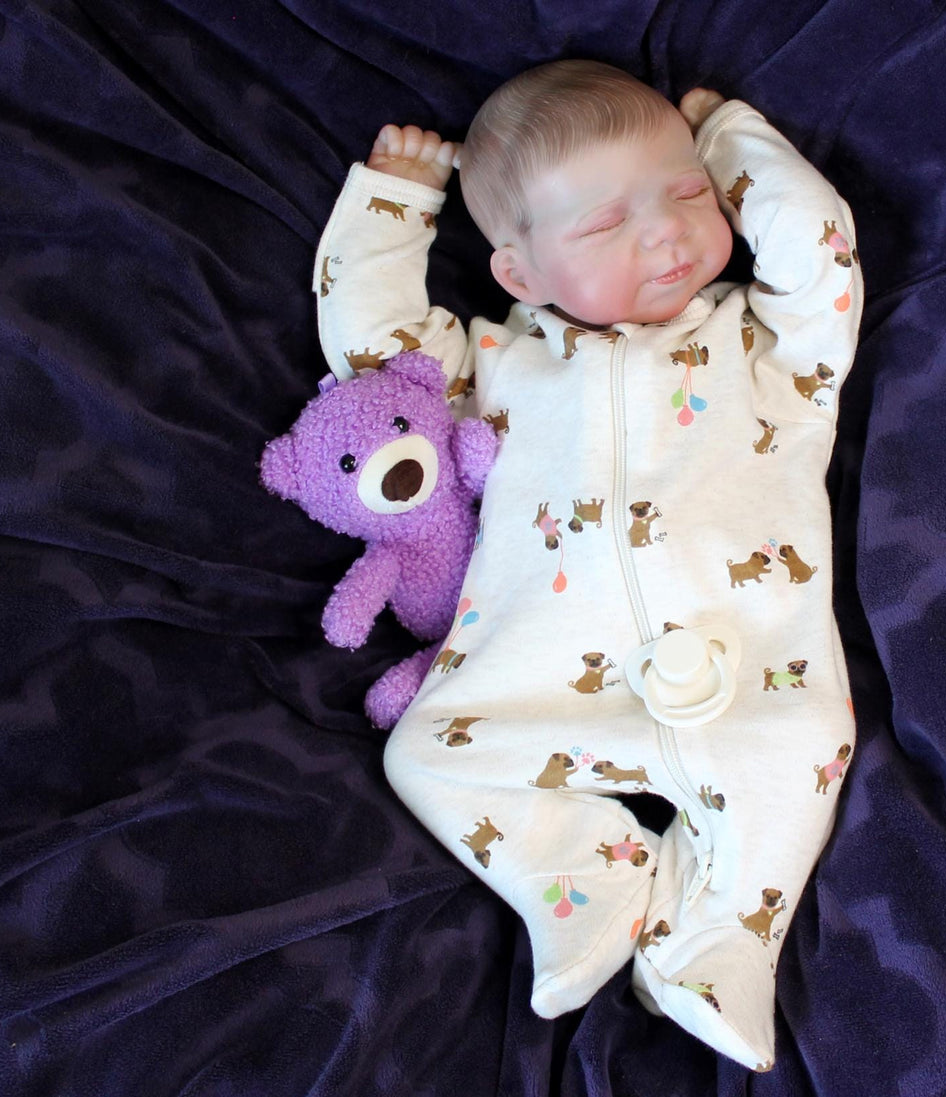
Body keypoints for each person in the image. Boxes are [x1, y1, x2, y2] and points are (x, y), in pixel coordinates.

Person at [311, 59, 862, 1072]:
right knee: (426, 753)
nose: (663, 230)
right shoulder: (497, 366)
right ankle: (587, 887)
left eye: (687, 192)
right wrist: (394, 201)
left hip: (748, 669)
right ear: (518, 274)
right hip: (546, 678)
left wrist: (729, 138)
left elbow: (821, 254)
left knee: (800, 754)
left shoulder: (770, 348)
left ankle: (724, 940)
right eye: (605, 225)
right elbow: (376, 359)